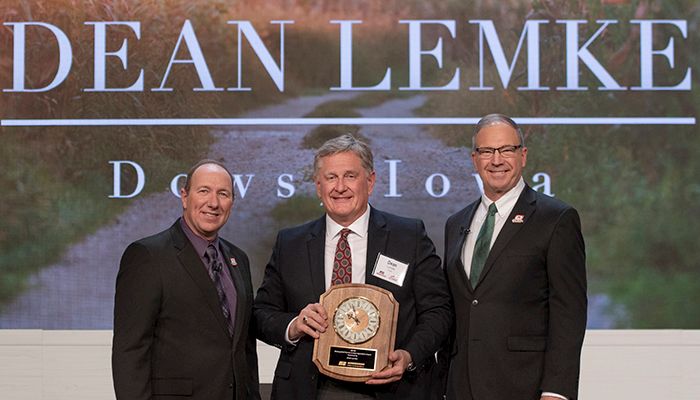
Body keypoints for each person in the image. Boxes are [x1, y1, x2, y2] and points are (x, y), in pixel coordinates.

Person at [254, 134, 452, 399]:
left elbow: (438, 310)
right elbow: (262, 313)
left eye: (350, 176)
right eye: (331, 177)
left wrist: (409, 356)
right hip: (311, 388)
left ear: (370, 182)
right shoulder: (291, 243)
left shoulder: (409, 236)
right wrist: (294, 325)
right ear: (318, 186)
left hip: (390, 387)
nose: (340, 187)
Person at [442, 114, 587, 400]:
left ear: (523, 155)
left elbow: (569, 311)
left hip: (524, 387)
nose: (497, 160)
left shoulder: (555, 218)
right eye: (487, 151)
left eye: (506, 150)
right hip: (461, 387)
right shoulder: (455, 222)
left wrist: (557, 391)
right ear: (474, 159)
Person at [112, 160, 260, 400]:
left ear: (232, 202)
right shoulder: (148, 256)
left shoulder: (238, 259)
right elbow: (130, 350)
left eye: (223, 194)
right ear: (184, 196)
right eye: (204, 191)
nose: (213, 203)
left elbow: (244, 349)